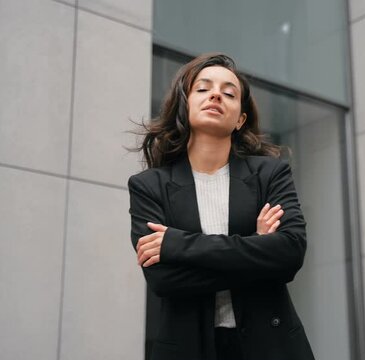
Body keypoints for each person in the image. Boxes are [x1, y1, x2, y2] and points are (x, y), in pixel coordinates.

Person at [128, 52, 315, 360]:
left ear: (240, 118)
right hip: (187, 348)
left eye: (229, 93)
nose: (216, 94)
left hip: (272, 345)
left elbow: (290, 252)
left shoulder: (270, 173)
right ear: (184, 104)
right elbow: (164, 280)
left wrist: (178, 245)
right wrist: (257, 249)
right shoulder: (149, 185)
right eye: (203, 88)